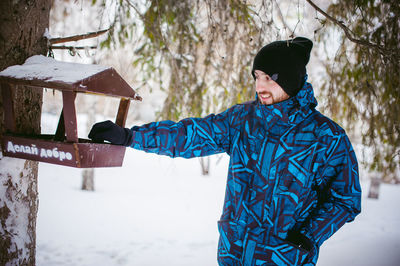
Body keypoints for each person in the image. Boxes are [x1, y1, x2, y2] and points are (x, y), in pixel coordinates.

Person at [88, 37, 362, 266]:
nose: (259, 87)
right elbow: (189, 135)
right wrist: (130, 136)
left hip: (285, 260)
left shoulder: (326, 138)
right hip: (233, 254)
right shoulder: (244, 120)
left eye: (268, 78)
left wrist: (308, 236)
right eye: (257, 77)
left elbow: (346, 199)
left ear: (291, 80)